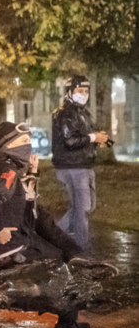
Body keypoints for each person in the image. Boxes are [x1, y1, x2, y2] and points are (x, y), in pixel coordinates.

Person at [0, 122, 115, 328]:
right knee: (59, 264)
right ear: (8, 145)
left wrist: (33, 173)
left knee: (53, 234)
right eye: (22, 142)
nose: (28, 146)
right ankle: (68, 323)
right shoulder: (7, 169)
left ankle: (78, 260)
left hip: (15, 236)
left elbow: (18, 197)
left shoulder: (1, 165)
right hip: (10, 244)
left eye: (28, 142)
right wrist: (0, 228)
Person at [51, 74, 108, 252]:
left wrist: (99, 140)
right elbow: (70, 141)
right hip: (72, 166)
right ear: (70, 92)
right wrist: (93, 137)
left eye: (86, 91)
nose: (83, 94)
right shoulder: (66, 113)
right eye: (79, 91)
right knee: (82, 210)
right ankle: (81, 248)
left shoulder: (82, 112)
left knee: (85, 207)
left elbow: (85, 136)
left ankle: (54, 235)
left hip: (83, 165)